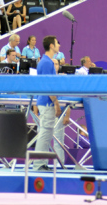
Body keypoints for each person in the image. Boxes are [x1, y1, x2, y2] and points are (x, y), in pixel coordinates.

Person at [33, 35, 62, 171]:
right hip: (47, 102)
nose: (59, 45)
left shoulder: (47, 61)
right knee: (45, 134)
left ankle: (42, 164)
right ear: (51, 45)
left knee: (47, 134)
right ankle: (38, 164)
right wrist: (56, 103)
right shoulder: (46, 63)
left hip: (46, 102)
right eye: (57, 43)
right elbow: (47, 86)